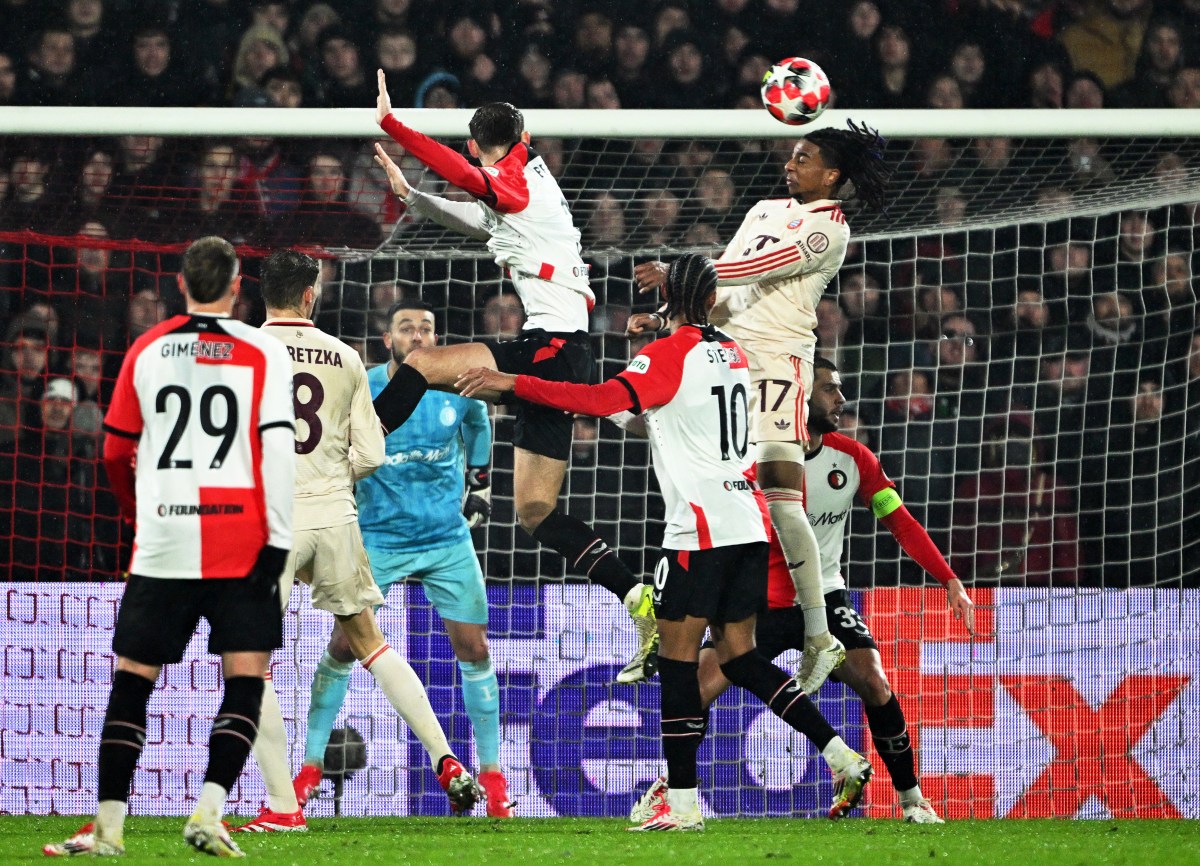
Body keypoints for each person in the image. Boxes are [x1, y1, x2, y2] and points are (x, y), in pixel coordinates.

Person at [457, 255, 872, 832]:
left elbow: (602, 403)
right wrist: (648, 344)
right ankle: (840, 755)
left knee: (678, 668)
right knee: (742, 658)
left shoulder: (669, 354)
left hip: (697, 532)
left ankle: (680, 806)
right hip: (748, 523)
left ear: (670, 300)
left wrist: (510, 382)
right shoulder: (729, 349)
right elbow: (655, 409)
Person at [368, 69, 657, 684]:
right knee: (533, 510)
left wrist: (395, 126)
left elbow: (470, 180)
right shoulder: (525, 181)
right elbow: (478, 220)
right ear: (524, 132)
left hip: (547, 346)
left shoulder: (513, 182)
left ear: (475, 146)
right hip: (563, 348)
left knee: (418, 364)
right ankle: (637, 595)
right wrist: (413, 197)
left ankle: (355, 448)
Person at [634, 358, 975, 825]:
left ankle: (913, 800)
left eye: (839, 388)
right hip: (760, 605)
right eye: (830, 390)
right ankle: (674, 790)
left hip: (827, 598)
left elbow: (898, 520)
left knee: (873, 681)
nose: (841, 399)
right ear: (799, 397)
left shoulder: (854, 458)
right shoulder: (752, 460)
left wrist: (949, 579)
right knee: (693, 689)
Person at [43, 236, 296, 858]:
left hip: (163, 537)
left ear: (182, 284)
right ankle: (209, 813)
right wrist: (279, 540)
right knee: (245, 679)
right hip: (242, 539)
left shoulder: (146, 349)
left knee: (133, 680)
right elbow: (277, 453)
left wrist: (140, 512)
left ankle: (107, 828)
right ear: (238, 288)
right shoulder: (261, 351)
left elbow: (111, 450)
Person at [631, 119, 893, 694]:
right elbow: (724, 287)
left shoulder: (831, 230)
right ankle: (668, 599)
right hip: (727, 357)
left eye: (803, 158)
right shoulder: (762, 210)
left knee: (778, 492)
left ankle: (820, 635)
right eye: (791, 156)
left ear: (833, 174)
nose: (790, 165)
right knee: (693, 470)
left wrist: (678, 273)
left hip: (778, 364)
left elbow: (756, 269)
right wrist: (673, 317)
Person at [236, 250, 480, 832]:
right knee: (370, 642)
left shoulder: (241, 352)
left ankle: (283, 807)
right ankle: (445, 757)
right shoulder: (345, 357)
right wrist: (329, 476)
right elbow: (372, 454)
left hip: (268, 521)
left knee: (251, 661)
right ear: (310, 295)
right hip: (336, 517)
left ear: (261, 293)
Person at [290, 299, 512, 818]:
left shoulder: (456, 388)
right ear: (388, 340)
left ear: (436, 339)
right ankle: (310, 766)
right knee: (345, 645)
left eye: (427, 328)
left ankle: (494, 777)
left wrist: (479, 483)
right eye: (406, 328)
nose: (418, 335)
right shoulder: (363, 384)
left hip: (444, 537)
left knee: (474, 647)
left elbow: (479, 422)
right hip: (377, 537)